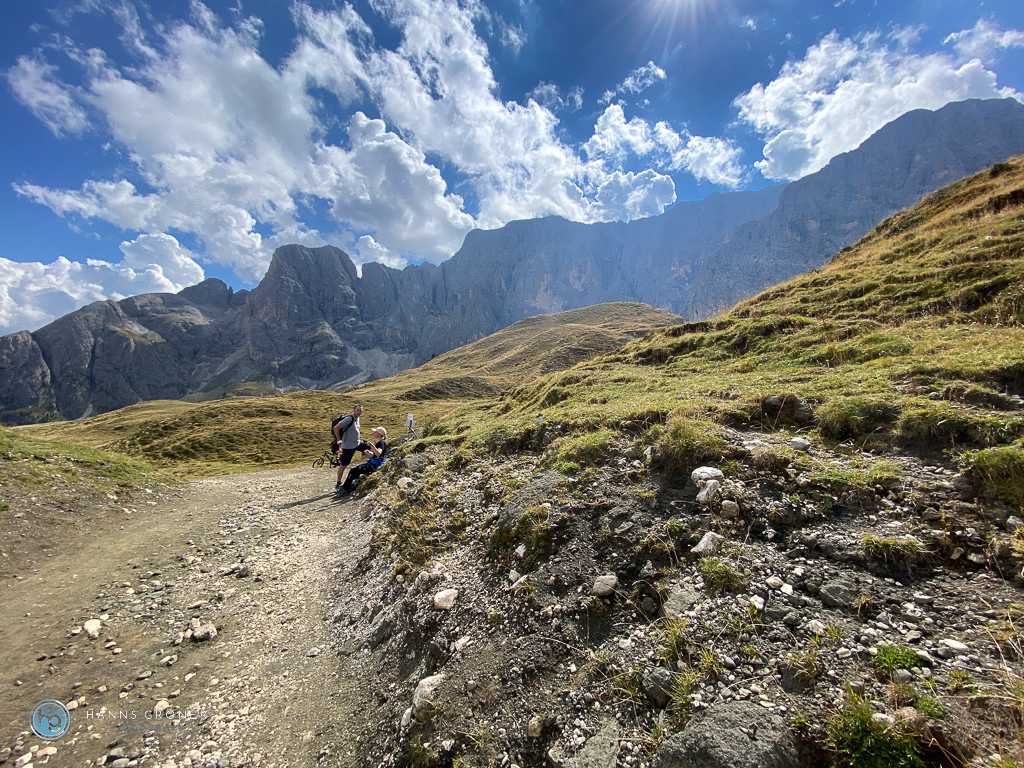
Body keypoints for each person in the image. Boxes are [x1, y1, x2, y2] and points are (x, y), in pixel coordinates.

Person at [337, 427, 388, 496]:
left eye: (375, 432)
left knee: (353, 471)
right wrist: (370, 453)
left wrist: (371, 446)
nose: (373, 433)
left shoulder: (381, 443)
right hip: (374, 463)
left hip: (375, 465)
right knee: (355, 470)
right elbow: (378, 455)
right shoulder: (380, 442)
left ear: (379, 434)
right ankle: (350, 487)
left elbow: (378, 453)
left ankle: (345, 488)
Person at [333, 403, 363, 492]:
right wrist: (338, 439)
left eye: (360, 410)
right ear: (354, 410)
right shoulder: (349, 418)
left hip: (357, 443)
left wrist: (358, 436)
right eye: (358, 410)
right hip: (348, 446)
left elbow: (354, 429)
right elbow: (336, 428)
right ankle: (338, 482)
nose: (359, 412)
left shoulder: (357, 418)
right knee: (343, 465)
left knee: (370, 448)